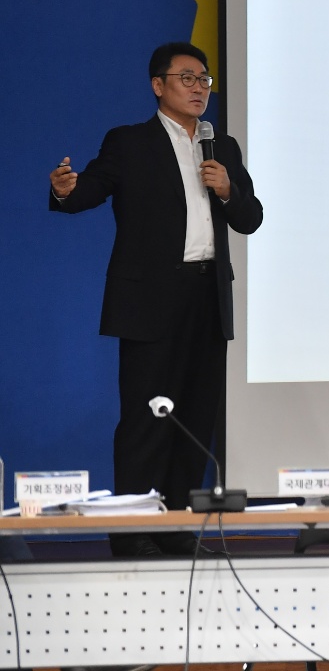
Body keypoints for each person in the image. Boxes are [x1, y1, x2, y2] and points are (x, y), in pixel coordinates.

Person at [49, 42, 262, 557]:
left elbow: (250, 218)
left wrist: (228, 190)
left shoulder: (222, 147)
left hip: (207, 297)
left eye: (204, 79)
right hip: (151, 301)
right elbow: (88, 191)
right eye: (187, 78)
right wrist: (64, 190)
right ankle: (132, 530)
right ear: (158, 85)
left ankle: (176, 524)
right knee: (146, 418)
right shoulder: (129, 142)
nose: (198, 88)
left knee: (195, 416)